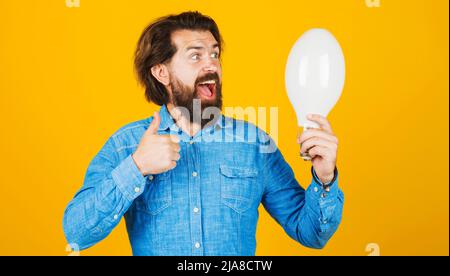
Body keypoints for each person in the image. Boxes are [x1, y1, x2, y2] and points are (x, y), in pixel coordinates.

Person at [63, 11, 344, 256]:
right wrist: (137, 167)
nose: (211, 64)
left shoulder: (255, 144)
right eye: (195, 55)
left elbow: (311, 233)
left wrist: (325, 179)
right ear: (161, 72)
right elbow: (77, 233)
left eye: (214, 54)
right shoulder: (127, 145)